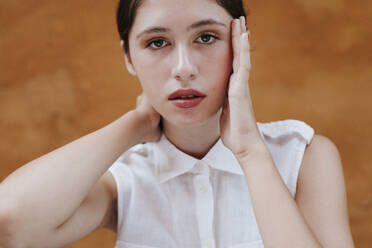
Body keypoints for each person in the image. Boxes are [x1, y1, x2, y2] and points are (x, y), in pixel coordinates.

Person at [0, 0, 355, 247]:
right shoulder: (123, 178)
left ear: (240, 43)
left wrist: (250, 152)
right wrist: (137, 123)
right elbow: (9, 223)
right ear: (128, 57)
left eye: (205, 37)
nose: (183, 67)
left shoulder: (304, 155)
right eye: (157, 42)